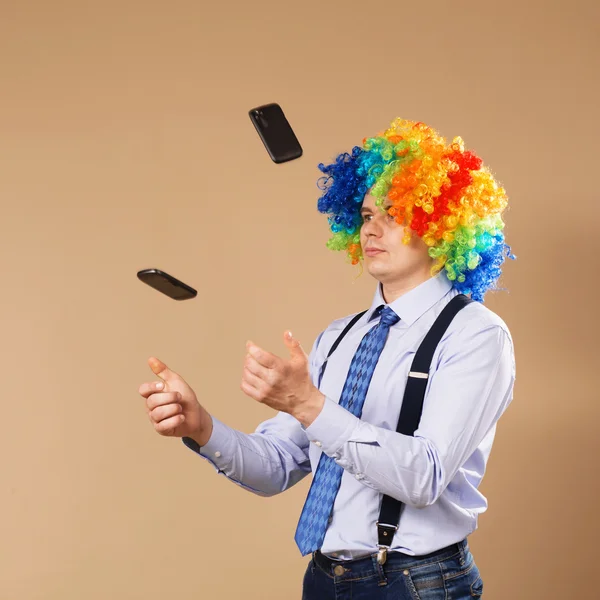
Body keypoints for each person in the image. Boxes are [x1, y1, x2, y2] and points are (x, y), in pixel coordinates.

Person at [138, 118, 516, 599]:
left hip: (416, 584)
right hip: (323, 580)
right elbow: (277, 465)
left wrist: (308, 405)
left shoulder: (476, 334)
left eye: (394, 215)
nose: (372, 228)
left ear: (441, 227)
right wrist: (201, 427)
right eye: (364, 215)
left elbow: (424, 478)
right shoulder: (338, 338)